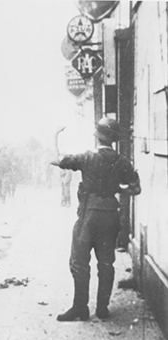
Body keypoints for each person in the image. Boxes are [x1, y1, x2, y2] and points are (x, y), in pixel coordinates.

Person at [51, 117, 141, 321]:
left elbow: (57, 160)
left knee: (79, 261)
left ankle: (80, 308)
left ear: (97, 136)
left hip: (88, 216)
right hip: (110, 214)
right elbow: (136, 189)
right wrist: (118, 188)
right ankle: (102, 308)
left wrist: (54, 135)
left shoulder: (86, 157)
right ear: (114, 140)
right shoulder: (123, 161)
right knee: (106, 262)